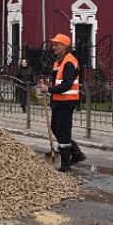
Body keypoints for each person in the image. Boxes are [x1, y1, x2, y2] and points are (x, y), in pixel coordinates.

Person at [38, 33, 86, 172]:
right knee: (55, 127)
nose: (53, 47)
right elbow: (57, 81)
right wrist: (47, 85)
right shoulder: (58, 62)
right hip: (58, 100)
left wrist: (48, 89)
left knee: (64, 131)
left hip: (67, 101)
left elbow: (66, 85)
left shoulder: (70, 62)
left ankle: (65, 162)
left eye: (56, 45)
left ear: (64, 46)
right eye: (53, 45)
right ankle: (76, 153)